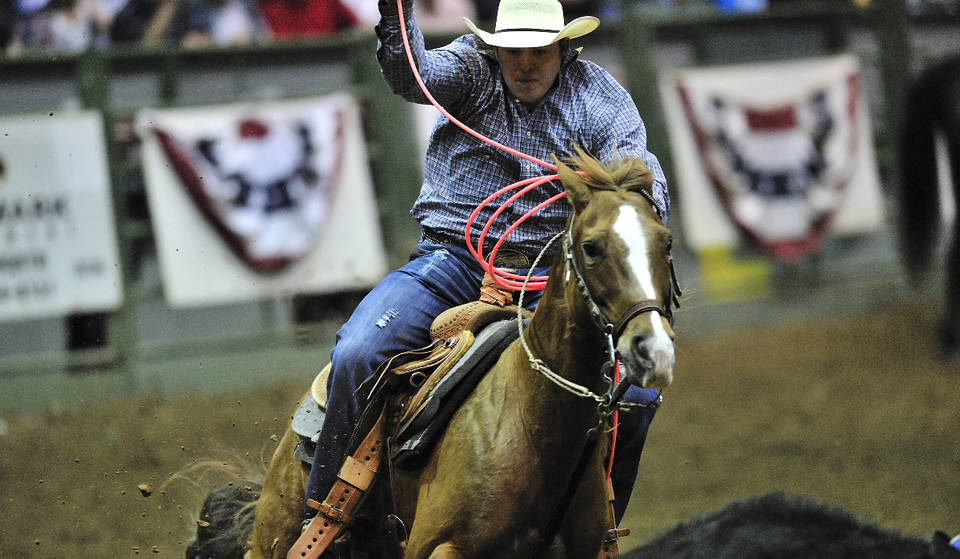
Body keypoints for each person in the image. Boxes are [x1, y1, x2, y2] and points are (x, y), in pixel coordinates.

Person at [294, 0, 670, 551]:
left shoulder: (600, 99)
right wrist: (395, 12)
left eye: (538, 51)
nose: (524, 64)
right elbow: (411, 74)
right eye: (512, 50)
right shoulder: (471, 70)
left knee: (635, 397)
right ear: (493, 49)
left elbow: (640, 182)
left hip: (554, 281)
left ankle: (592, 532)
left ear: (564, 48)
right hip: (454, 260)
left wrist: (624, 195)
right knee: (358, 351)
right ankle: (325, 517)